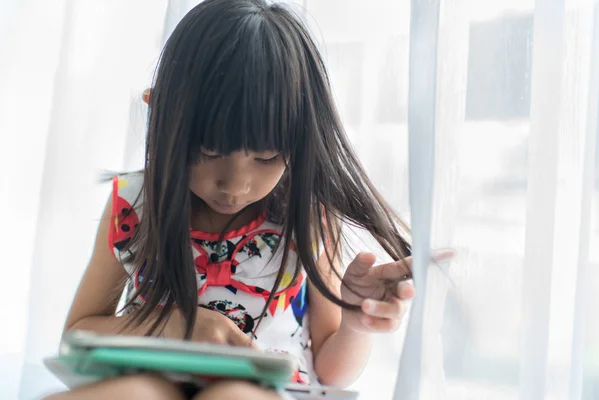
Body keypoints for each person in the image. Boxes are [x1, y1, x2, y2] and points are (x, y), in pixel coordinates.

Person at [44, 0, 453, 399]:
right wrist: (175, 324)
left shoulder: (307, 219)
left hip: (262, 389)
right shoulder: (135, 206)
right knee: (136, 392)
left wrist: (355, 325)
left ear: (298, 142)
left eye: (266, 157)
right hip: (154, 379)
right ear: (160, 113)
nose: (235, 185)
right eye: (209, 152)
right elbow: (78, 333)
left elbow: (331, 374)